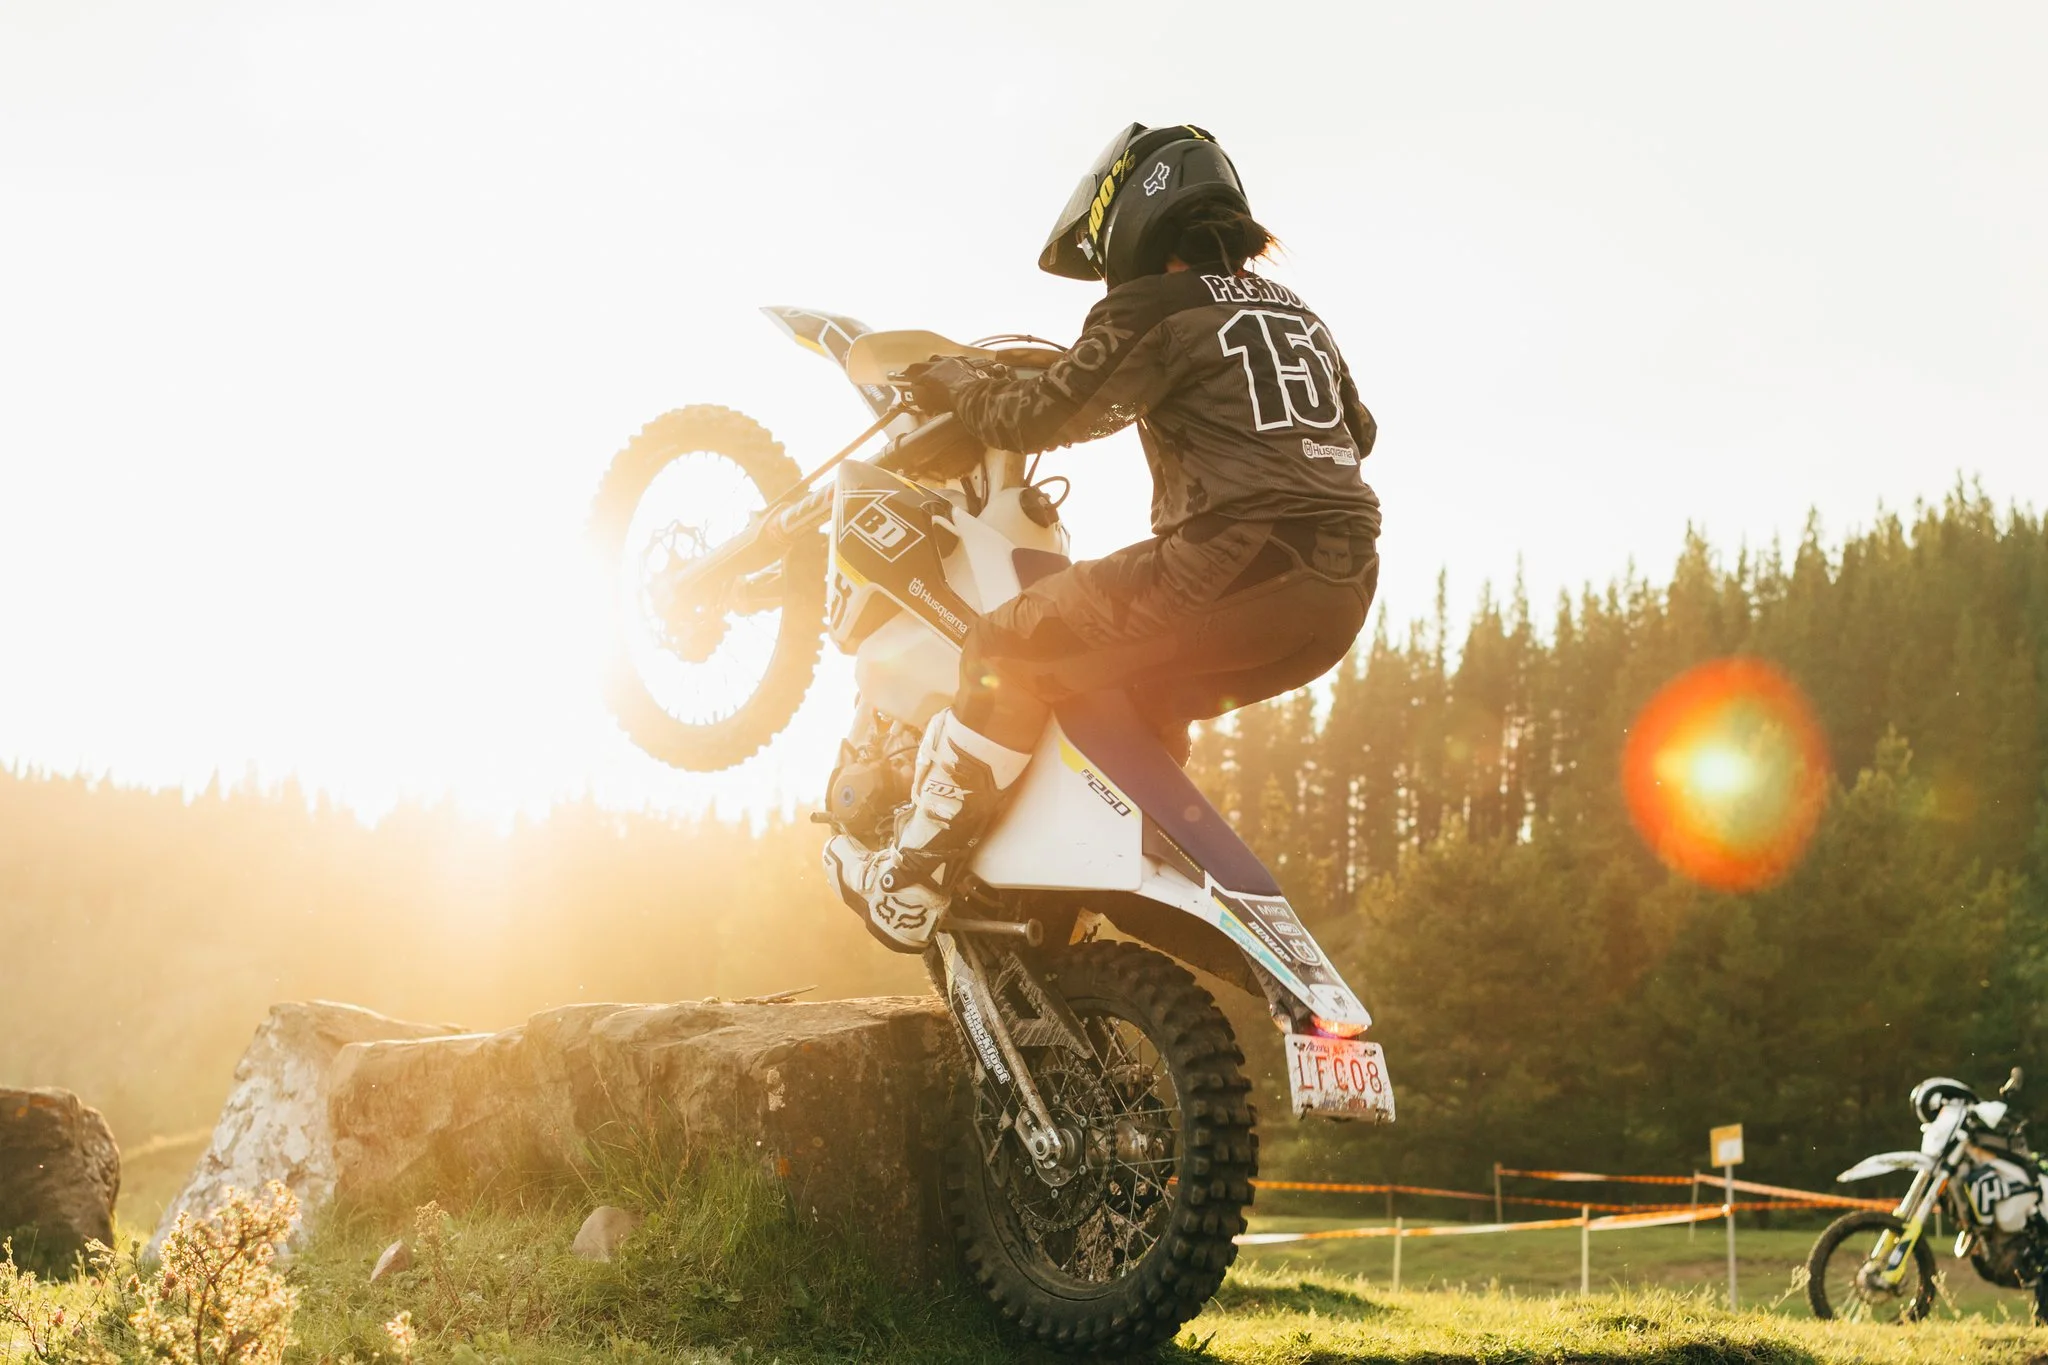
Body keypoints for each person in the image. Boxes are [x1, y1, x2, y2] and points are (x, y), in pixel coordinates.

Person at [826, 122, 1381, 952]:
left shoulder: (1155, 305)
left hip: (1232, 565)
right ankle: (1098, 867)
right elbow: (1358, 431)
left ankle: (912, 878)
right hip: (1341, 591)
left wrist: (958, 384)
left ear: (1134, 211)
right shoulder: (1300, 316)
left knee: (1005, 644)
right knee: (1127, 699)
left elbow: (1042, 414)